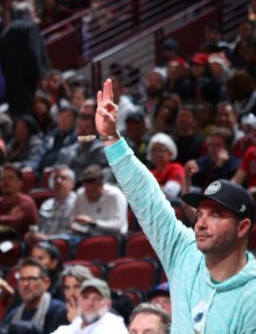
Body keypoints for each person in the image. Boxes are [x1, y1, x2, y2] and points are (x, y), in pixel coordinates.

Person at [95, 78, 256, 332]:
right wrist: (112, 138)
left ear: (242, 226)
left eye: (216, 215)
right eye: (200, 214)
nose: (201, 223)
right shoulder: (185, 254)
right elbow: (147, 198)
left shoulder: (252, 297)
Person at [1, 258, 68, 333]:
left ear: (46, 283)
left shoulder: (59, 311)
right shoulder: (13, 313)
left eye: (32, 279)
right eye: (22, 279)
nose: (25, 284)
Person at [52, 278, 127, 333]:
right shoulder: (77, 322)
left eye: (97, 299)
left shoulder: (113, 327)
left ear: (108, 304)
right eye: (85, 297)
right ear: (78, 301)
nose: (90, 303)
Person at [70, 164, 128, 236]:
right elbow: (74, 220)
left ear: (101, 186)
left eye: (93, 190)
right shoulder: (80, 193)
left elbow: (119, 225)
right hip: (87, 236)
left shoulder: (115, 195)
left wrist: (93, 223)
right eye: (87, 191)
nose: (89, 194)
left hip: (114, 238)